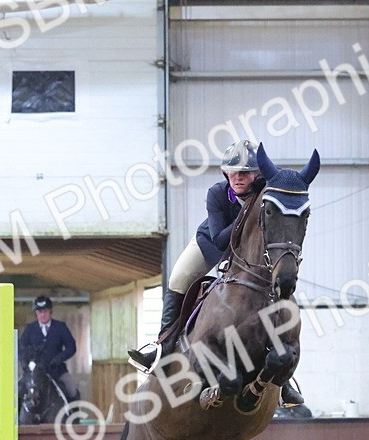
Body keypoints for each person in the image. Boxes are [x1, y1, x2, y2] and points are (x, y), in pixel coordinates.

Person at [127, 139, 304, 406]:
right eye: (233, 173)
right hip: (212, 243)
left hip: (249, 253)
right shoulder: (218, 193)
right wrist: (246, 213)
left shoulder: (267, 193)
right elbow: (221, 240)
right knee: (179, 279)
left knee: (278, 287)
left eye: (245, 173)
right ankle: (163, 345)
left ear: (257, 174)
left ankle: (284, 377)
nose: (238, 178)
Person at [19, 296, 80, 403]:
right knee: (18, 391)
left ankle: (75, 418)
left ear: (50, 311)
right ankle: (16, 418)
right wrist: (25, 364)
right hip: (35, 372)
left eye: (45, 311)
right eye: (40, 312)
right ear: (36, 313)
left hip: (57, 371)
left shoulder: (60, 327)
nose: (43, 314)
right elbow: (21, 349)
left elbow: (71, 346)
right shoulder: (29, 329)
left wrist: (60, 358)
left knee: (72, 391)